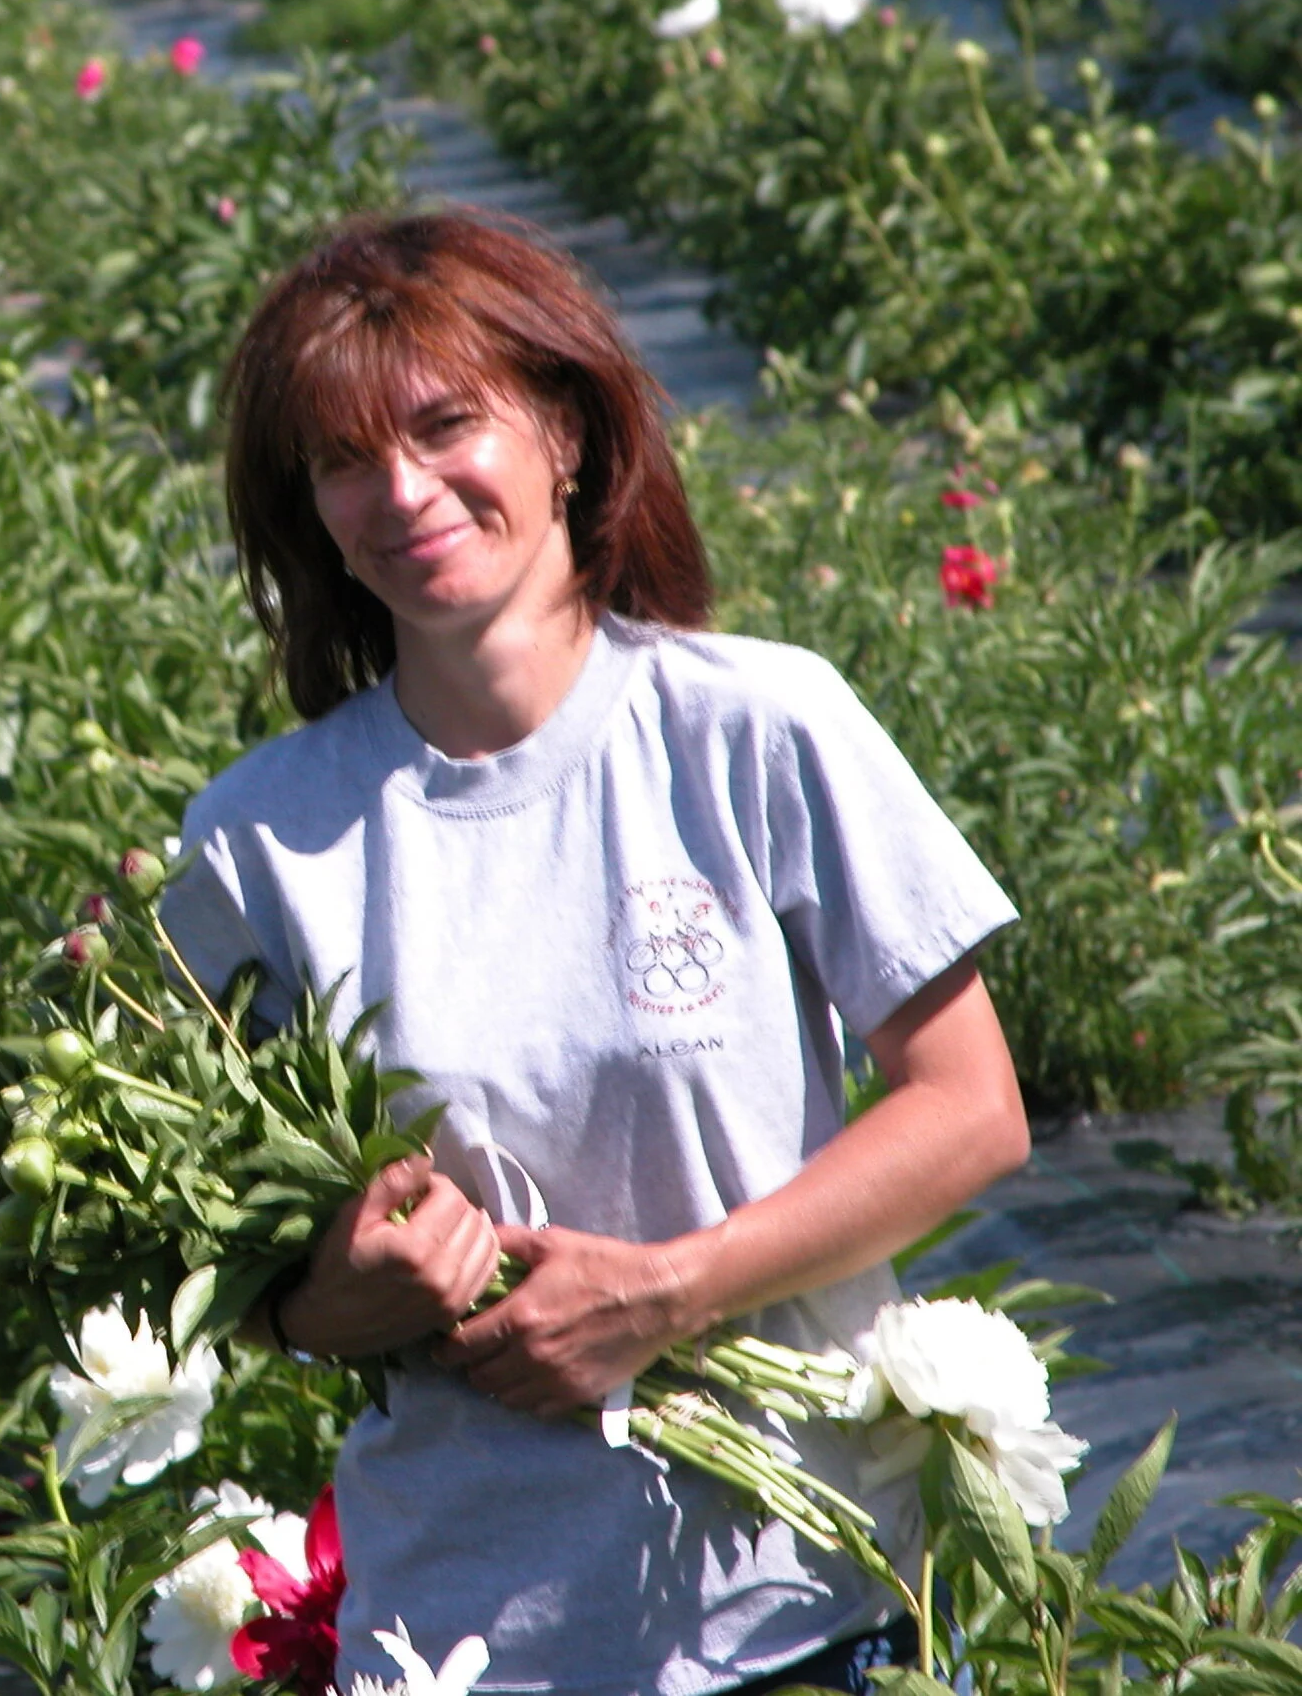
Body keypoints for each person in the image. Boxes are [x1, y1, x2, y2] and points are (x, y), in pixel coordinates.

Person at [160, 209, 1031, 1696]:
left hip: (795, 1604)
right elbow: (237, 1276)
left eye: (446, 425)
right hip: (459, 1630)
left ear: (563, 431)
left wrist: (673, 1289)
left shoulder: (755, 728)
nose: (403, 490)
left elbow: (972, 1108)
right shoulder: (260, 838)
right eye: (345, 459)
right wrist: (335, 1299)